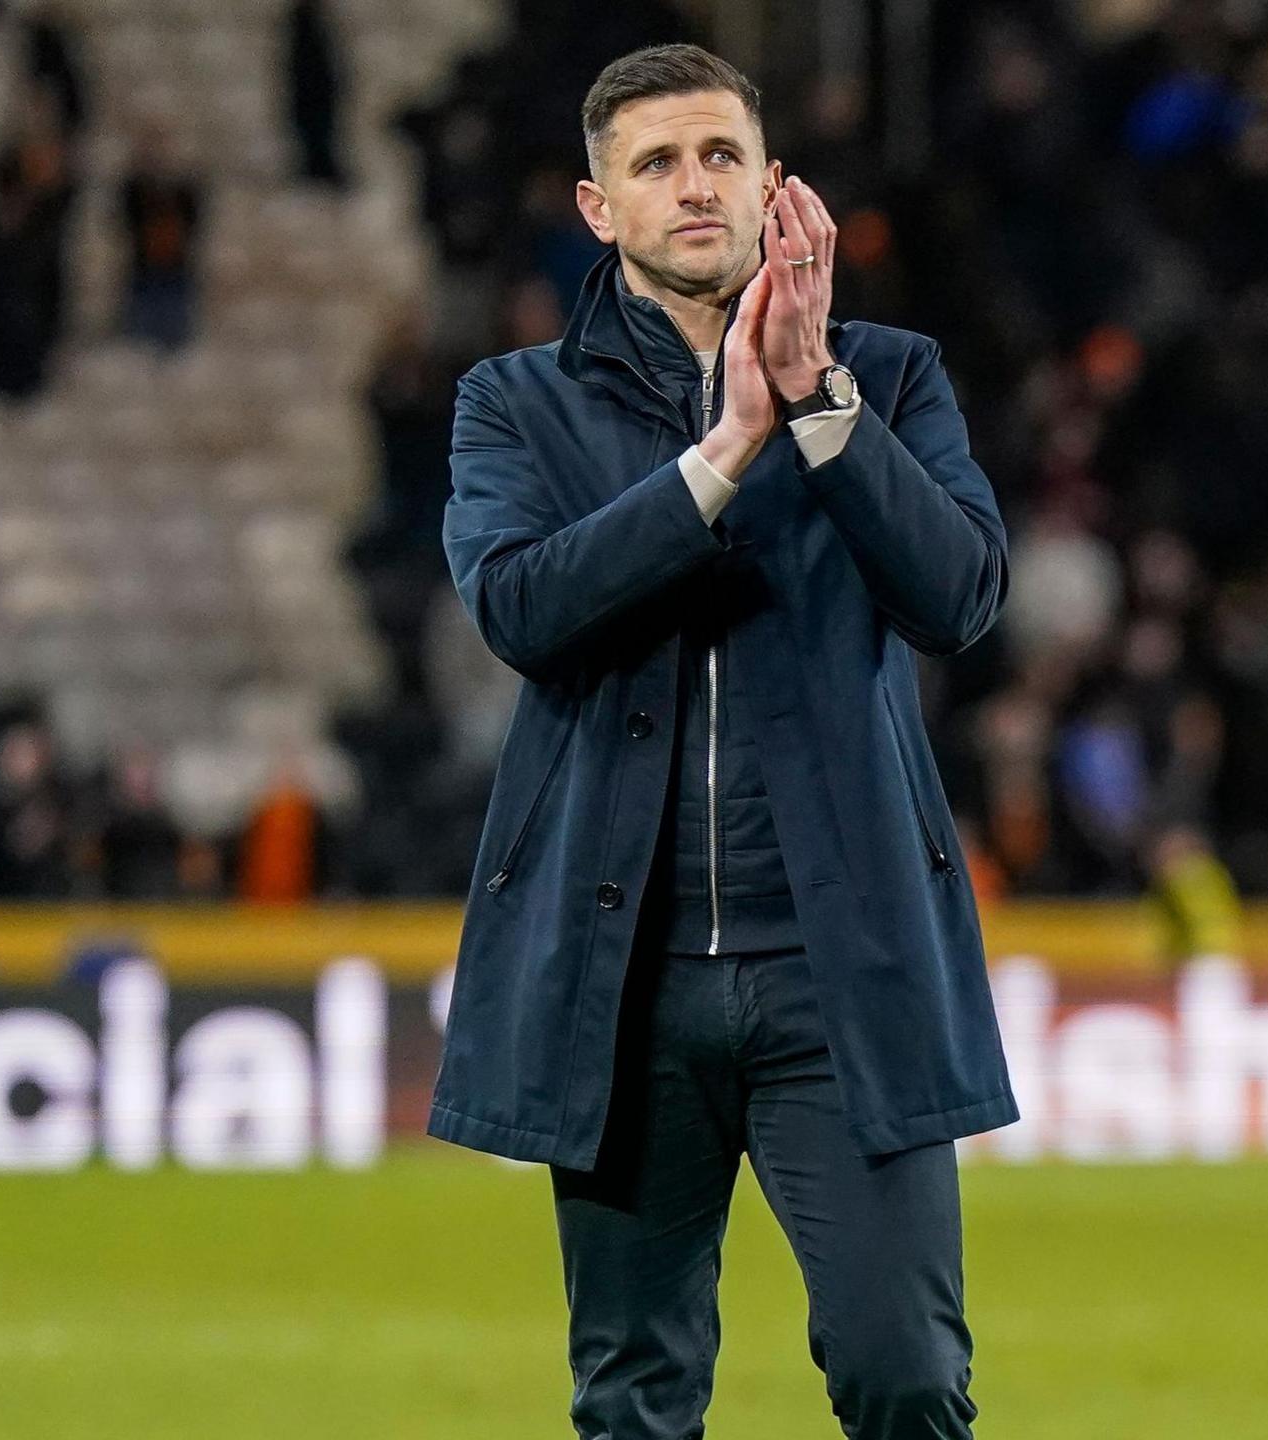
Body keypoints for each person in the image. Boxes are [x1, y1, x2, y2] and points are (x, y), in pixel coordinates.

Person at [432, 45, 1011, 1440]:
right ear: (596, 207)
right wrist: (719, 457)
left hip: (842, 964)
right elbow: (519, 606)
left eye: (719, 157)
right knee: (632, 1394)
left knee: (906, 1374)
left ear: (771, 185)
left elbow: (961, 596)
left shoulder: (891, 376)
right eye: (655, 164)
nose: (693, 186)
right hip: (617, 978)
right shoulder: (514, 402)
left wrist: (815, 407)